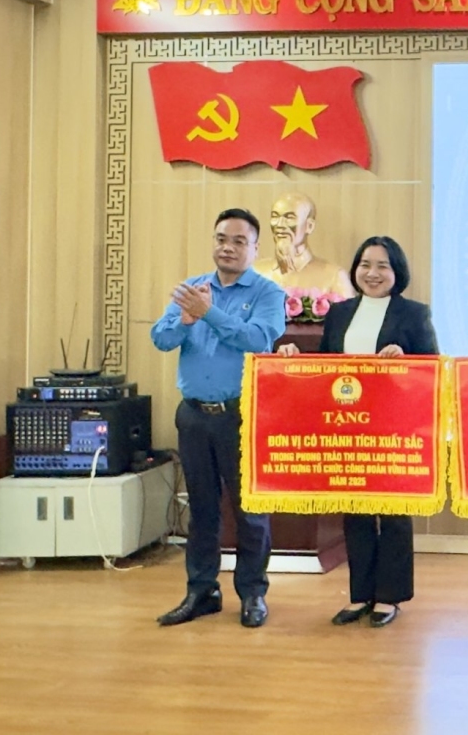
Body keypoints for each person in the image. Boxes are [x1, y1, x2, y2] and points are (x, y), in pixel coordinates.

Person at [277, 236, 437, 628]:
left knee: (394, 514)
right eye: (366, 264)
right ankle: (360, 594)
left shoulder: (414, 314)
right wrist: (294, 357)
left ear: (397, 272)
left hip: (395, 430)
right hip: (349, 431)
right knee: (356, 513)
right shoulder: (339, 313)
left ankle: (390, 596)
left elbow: (433, 369)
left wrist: (406, 360)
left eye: (382, 265)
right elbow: (326, 369)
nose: (373, 273)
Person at [151, 208, 286, 629]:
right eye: (221, 239)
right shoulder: (194, 288)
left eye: (239, 241)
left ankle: (252, 593)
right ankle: (201, 591)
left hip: (241, 415)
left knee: (250, 510)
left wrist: (208, 313)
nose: (228, 248)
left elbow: (259, 338)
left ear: (255, 248)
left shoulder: (266, 293)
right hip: (193, 416)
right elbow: (161, 338)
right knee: (202, 509)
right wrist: (185, 319)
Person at [252, 192, 354, 296]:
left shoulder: (334, 277)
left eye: (289, 218)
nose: (279, 225)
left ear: (309, 226)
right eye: (275, 217)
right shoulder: (255, 272)